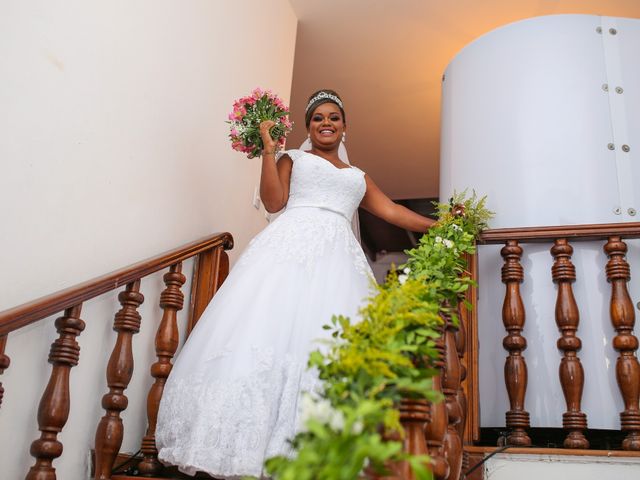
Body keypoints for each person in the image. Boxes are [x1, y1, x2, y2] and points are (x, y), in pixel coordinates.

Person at [156, 89, 434, 478]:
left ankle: (316, 446)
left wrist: (443, 226)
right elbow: (273, 202)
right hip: (287, 249)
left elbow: (391, 211)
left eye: (333, 117)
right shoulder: (294, 159)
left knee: (326, 340)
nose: (326, 123)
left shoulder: (357, 177)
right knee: (266, 331)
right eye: (318, 117)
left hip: (339, 260)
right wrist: (269, 151)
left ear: (344, 127)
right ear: (308, 126)